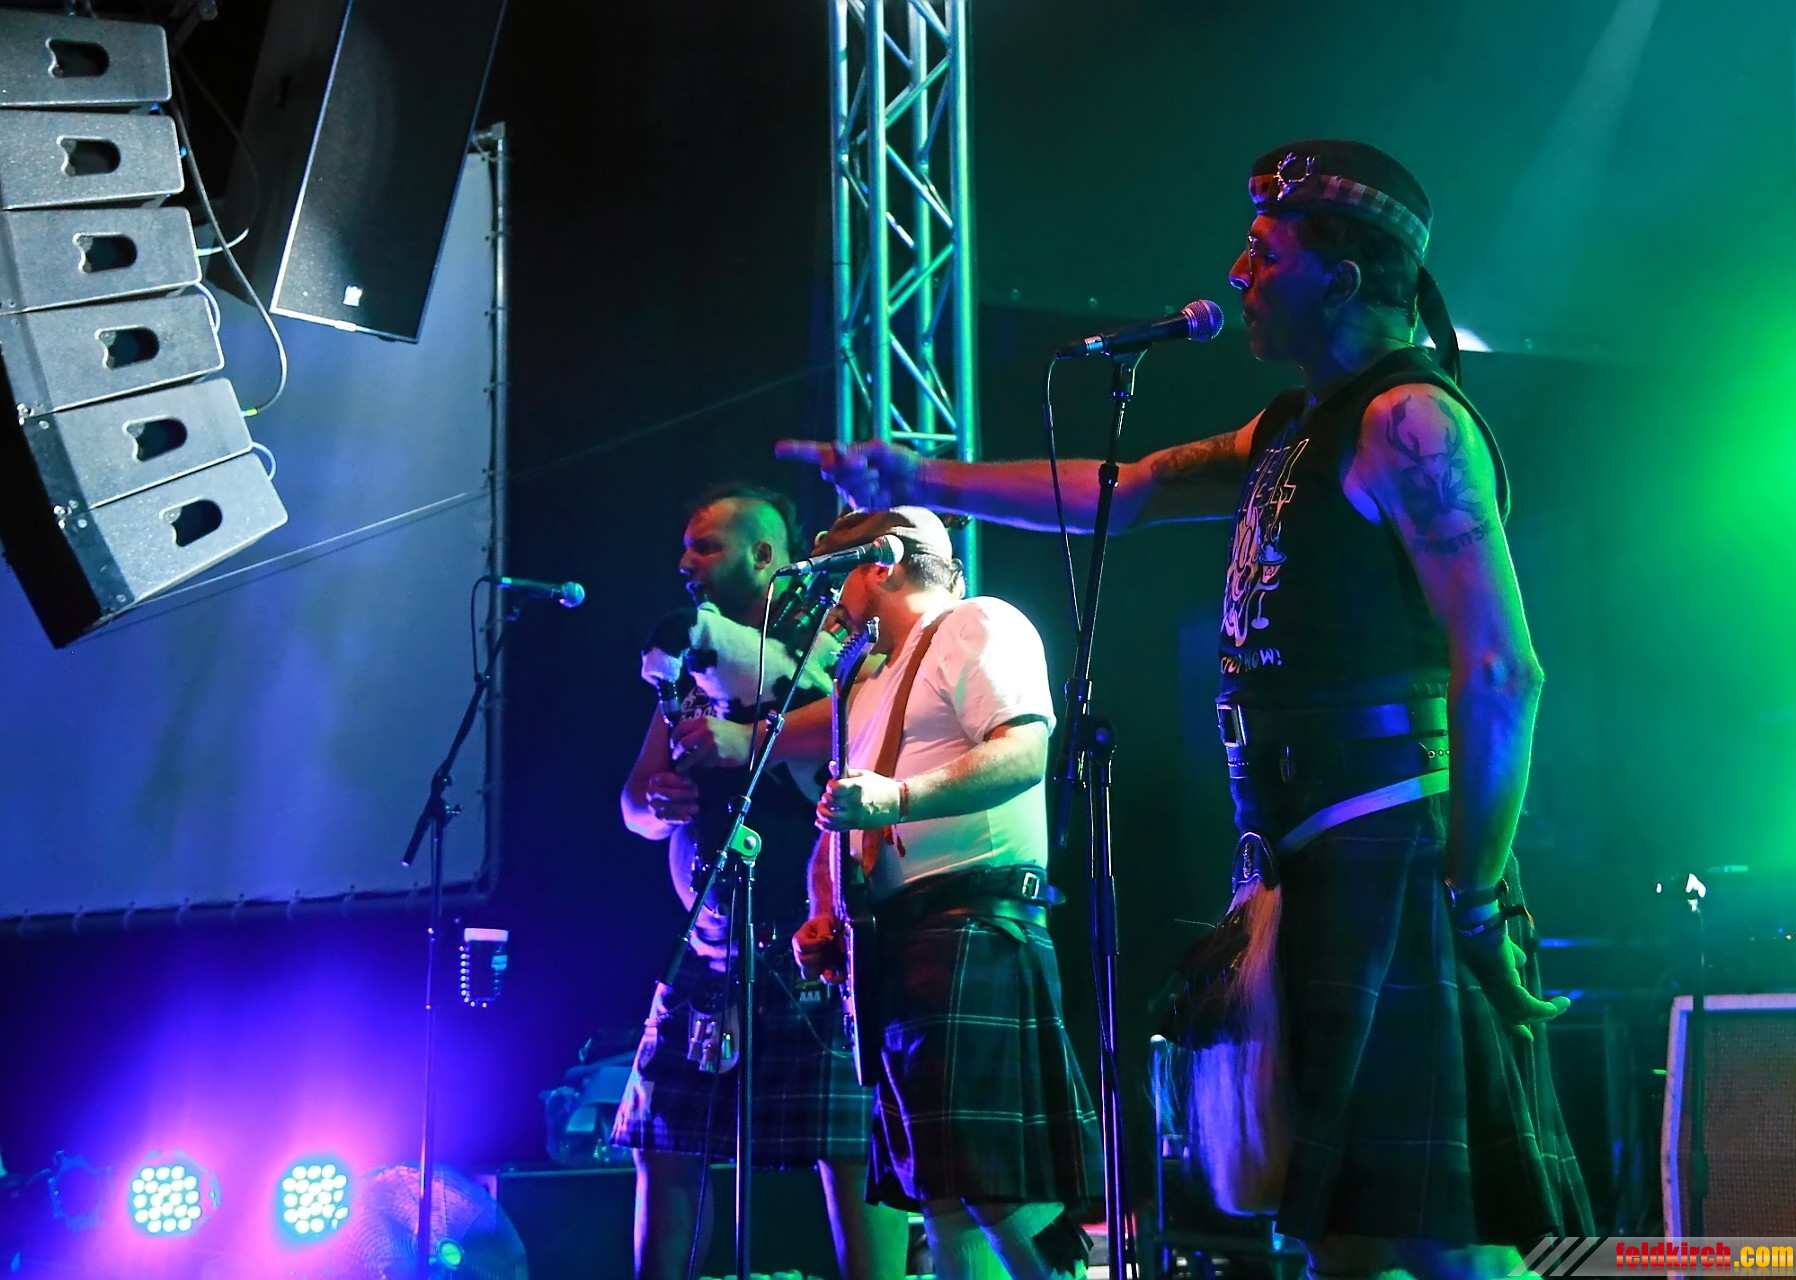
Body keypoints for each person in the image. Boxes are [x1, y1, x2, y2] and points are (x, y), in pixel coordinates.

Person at [778, 143, 1593, 1279]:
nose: (1238, 272)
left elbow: (1503, 672)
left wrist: (1473, 895)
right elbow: (1134, 486)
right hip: (1304, 859)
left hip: (1391, 846)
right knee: (1343, 1224)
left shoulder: (1411, 422)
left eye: (1265, 252)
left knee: (1440, 1232)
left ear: (1342, 278)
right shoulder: (1295, 424)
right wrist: (916, 479)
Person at [778, 506, 1102, 1280]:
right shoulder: (869, 681)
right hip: (900, 943)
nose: (827, 601)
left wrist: (896, 799)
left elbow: (1023, 750)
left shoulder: (975, 623)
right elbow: (843, 817)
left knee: (990, 1181)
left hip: (972, 926)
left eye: (836, 574)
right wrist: (824, 908)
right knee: (944, 1193)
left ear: (881, 564)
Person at [614, 482, 907, 1280]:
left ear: (766, 554)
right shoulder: (688, 660)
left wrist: (746, 738)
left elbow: (863, 731)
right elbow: (633, 807)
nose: (687, 562)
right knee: (664, 1143)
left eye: (706, 546)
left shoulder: (832, 640)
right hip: (708, 949)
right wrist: (657, 801)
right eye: (687, 546)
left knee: (849, 1153)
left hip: (814, 949)